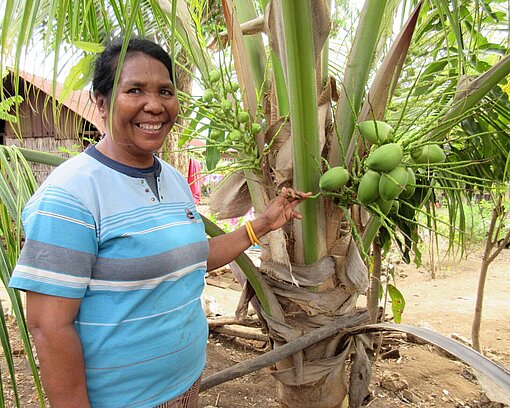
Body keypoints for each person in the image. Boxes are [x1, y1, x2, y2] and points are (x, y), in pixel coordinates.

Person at [9, 37, 310, 408]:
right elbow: (49, 326)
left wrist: (262, 224)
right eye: (135, 90)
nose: (154, 105)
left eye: (165, 91)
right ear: (101, 103)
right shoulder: (70, 196)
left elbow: (191, 257)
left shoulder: (171, 178)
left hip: (186, 383)